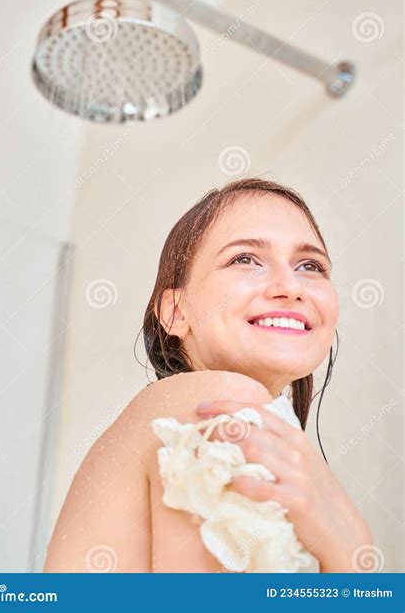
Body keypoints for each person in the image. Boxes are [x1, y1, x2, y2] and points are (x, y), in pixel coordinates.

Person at [44, 177, 373, 573]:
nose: (291, 286)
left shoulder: (189, 409)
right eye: (245, 259)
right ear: (176, 312)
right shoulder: (220, 401)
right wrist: (350, 545)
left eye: (311, 266)